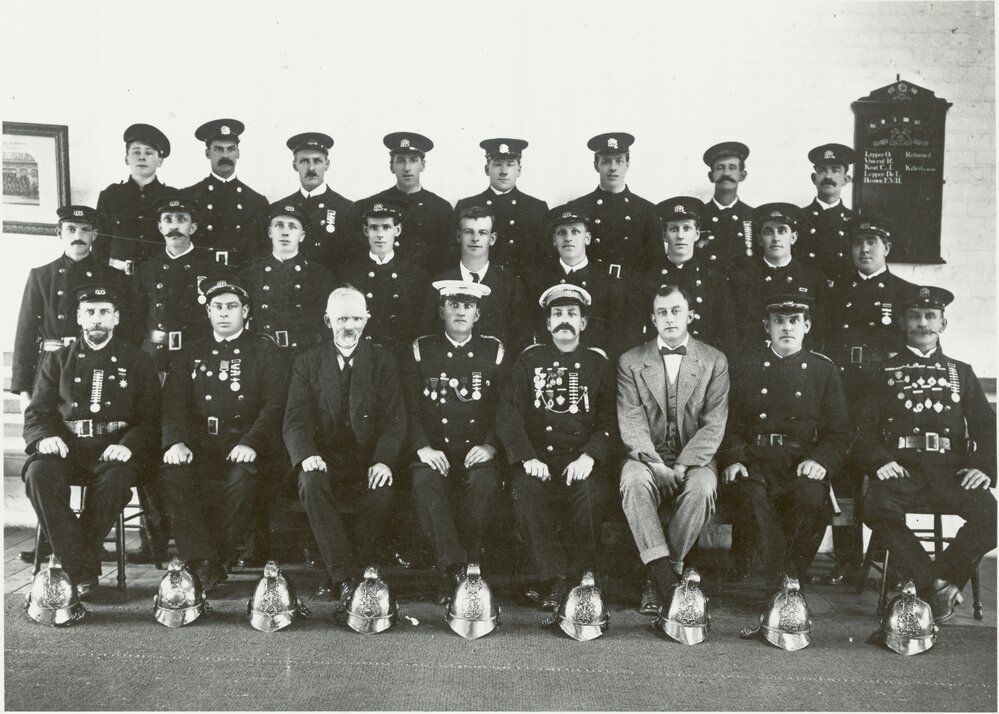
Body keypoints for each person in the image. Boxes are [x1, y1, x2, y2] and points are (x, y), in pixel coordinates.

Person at [857, 285, 996, 621]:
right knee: (877, 508)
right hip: (902, 470)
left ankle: (933, 581)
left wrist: (985, 466)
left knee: (991, 516)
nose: (923, 322)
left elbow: (987, 428)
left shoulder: (960, 372)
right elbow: (862, 432)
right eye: (915, 316)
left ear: (942, 324)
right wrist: (880, 461)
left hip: (952, 471)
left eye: (930, 316)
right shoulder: (884, 372)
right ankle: (938, 585)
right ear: (903, 322)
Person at [21, 284, 160, 595]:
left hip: (115, 450)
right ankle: (82, 565)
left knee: (115, 482)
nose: (97, 319)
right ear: (79, 318)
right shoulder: (58, 359)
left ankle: (72, 567)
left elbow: (150, 419)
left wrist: (127, 445)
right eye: (90, 313)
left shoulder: (137, 360)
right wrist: (45, 439)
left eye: (104, 313)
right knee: (37, 473)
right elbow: (37, 414)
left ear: (116, 318)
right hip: (68, 447)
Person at [158, 279, 288, 591]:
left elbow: (274, 405)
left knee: (242, 480)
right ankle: (202, 559)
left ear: (245, 311)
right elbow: (173, 405)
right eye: (217, 307)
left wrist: (251, 442)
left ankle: (214, 561)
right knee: (172, 474)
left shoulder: (264, 351)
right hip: (201, 445)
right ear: (208, 311)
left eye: (231, 307)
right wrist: (175, 441)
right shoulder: (190, 352)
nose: (224, 313)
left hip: (246, 444)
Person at [496, 284, 619, 612]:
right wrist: (526, 456)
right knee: (525, 489)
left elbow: (610, 421)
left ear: (583, 323)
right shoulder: (529, 360)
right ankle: (556, 578)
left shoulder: (598, 365)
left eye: (572, 315)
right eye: (558, 315)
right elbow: (508, 413)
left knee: (591, 494)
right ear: (548, 323)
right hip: (540, 460)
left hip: (581, 460)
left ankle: (583, 578)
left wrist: (591, 455)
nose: (565, 320)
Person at [719, 289, 851, 587]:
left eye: (794, 320)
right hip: (754, 461)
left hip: (799, 462)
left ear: (807, 326)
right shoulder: (745, 368)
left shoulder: (823, 370)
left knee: (813, 498)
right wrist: (735, 458)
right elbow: (726, 421)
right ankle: (786, 582)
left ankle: (784, 578)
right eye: (779, 320)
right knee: (749, 496)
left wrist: (820, 460)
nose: (787, 327)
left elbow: (840, 431)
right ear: (767, 326)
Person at [283, 286, 406, 603]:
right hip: (323, 458)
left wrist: (383, 461)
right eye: (341, 319)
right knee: (310, 483)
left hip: (368, 458)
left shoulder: (383, 360)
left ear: (366, 320)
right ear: (327, 320)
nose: (348, 326)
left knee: (382, 490)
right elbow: (296, 418)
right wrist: (307, 455)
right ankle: (346, 577)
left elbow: (394, 420)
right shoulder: (307, 362)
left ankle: (352, 571)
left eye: (355, 318)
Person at [617, 285, 730, 614]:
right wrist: (656, 465)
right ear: (653, 319)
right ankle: (667, 581)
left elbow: (714, 423)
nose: (669, 318)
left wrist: (681, 466)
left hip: (695, 458)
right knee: (634, 482)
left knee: (703, 488)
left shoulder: (713, 361)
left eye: (675, 311)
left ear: (689, 315)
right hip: (646, 457)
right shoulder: (631, 361)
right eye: (662, 312)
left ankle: (661, 576)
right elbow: (631, 421)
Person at [819, 218, 915, 585]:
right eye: (858, 242)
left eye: (872, 241)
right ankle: (846, 559)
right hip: (843, 395)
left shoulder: (906, 293)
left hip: (883, 401)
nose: (864, 249)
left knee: (883, 478)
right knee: (843, 479)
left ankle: (890, 559)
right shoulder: (836, 292)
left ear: (886, 247)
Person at [403, 280, 506, 603]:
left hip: (478, 449)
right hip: (434, 449)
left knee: (485, 483)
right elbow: (408, 407)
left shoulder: (494, 350)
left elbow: (505, 407)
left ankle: (471, 563)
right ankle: (453, 571)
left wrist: (490, 445)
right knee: (426, 483)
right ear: (441, 311)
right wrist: (422, 447)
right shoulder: (422, 349)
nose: (460, 312)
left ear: (478, 314)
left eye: (467, 307)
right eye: (454, 305)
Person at [12, 205, 130, 413]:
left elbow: (127, 330)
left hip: (99, 364)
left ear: (94, 235)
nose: (78, 235)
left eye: (85, 230)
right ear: (59, 233)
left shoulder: (114, 277)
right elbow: (25, 334)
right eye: (71, 229)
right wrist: (24, 392)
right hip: (52, 366)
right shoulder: (41, 276)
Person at [135, 194, 228, 374]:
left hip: (197, 355)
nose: (174, 226)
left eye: (181, 220)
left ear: (192, 227)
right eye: (168, 220)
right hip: (155, 355)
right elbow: (136, 319)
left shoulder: (212, 269)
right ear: (160, 227)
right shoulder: (146, 270)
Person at [634, 197, 735, 355]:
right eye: (674, 229)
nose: (680, 236)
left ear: (697, 234)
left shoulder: (715, 281)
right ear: (664, 235)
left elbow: (726, 335)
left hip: (704, 362)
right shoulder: (646, 280)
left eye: (686, 228)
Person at [424, 206, 531, 354]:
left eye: (482, 233)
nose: (475, 238)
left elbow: (520, 340)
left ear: (492, 239)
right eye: (469, 232)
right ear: (458, 236)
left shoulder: (510, 285)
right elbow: (427, 337)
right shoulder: (438, 284)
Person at [525, 205, 625, 357]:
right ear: (554, 239)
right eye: (561, 232)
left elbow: (617, 338)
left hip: (595, 369)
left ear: (587, 238)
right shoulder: (537, 282)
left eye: (575, 232)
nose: (568, 238)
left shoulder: (609, 284)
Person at [239, 201, 336, 357]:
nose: (285, 232)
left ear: (302, 236)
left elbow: (328, 327)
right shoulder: (249, 275)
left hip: (305, 356)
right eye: (279, 225)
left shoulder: (320, 276)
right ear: (270, 232)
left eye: (292, 227)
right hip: (261, 355)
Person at [728, 202, 826, 350]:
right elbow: (734, 331)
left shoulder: (814, 278)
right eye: (768, 232)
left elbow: (821, 330)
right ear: (760, 240)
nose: (775, 238)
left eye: (782, 231)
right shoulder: (741, 279)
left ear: (793, 238)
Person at [337, 199, 429, 357]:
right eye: (374, 227)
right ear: (366, 231)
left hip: (400, 355)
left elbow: (420, 324)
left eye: (386, 227)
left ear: (397, 230)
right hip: (360, 354)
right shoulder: (349, 273)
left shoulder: (414, 274)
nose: (380, 234)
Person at [566, 133, 659, 281]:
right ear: (596, 165)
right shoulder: (578, 207)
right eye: (606, 162)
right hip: (592, 288)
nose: (613, 168)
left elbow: (654, 263)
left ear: (627, 165)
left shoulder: (647, 210)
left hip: (633, 290)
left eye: (619, 161)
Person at [452, 138, 549, 279]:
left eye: (510, 165)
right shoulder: (466, 205)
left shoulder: (536, 208)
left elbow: (544, 257)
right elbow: (454, 253)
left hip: (523, 285)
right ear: (487, 169)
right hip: (480, 282)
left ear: (519, 170)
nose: (504, 172)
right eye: (497, 165)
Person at [358, 132, 453, 274]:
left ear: (423, 165)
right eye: (401, 161)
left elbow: (447, 258)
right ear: (392, 167)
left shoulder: (441, 208)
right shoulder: (372, 204)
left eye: (413, 160)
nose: (407, 168)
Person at [181, 118, 270, 271]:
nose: (226, 156)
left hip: (243, 277)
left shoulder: (256, 201)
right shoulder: (189, 197)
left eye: (231, 149)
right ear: (207, 153)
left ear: (238, 153)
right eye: (218, 149)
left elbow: (264, 251)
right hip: (200, 274)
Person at [95, 123, 175, 274]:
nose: (142, 157)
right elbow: (100, 246)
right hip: (118, 279)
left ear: (160, 161)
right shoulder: (110, 196)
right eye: (136, 152)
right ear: (126, 159)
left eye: (149, 152)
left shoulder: (171, 197)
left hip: (159, 278)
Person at [277, 132, 355, 273]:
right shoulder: (278, 209)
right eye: (304, 161)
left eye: (317, 161)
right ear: (295, 165)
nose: (311, 168)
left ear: (327, 164)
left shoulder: (347, 209)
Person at [797, 143, 857, 283]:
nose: (828, 176)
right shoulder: (798, 217)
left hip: (843, 295)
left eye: (836, 170)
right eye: (822, 170)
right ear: (814, 178)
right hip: (807, 294)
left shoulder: (855, 221)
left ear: (846, 180)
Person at [698, 141, 754, 274]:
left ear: (742, 175)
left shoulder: (753, 216)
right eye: (720, 167)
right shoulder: (698, 217)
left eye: (732, 167)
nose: (726, 173)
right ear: (711, 176)